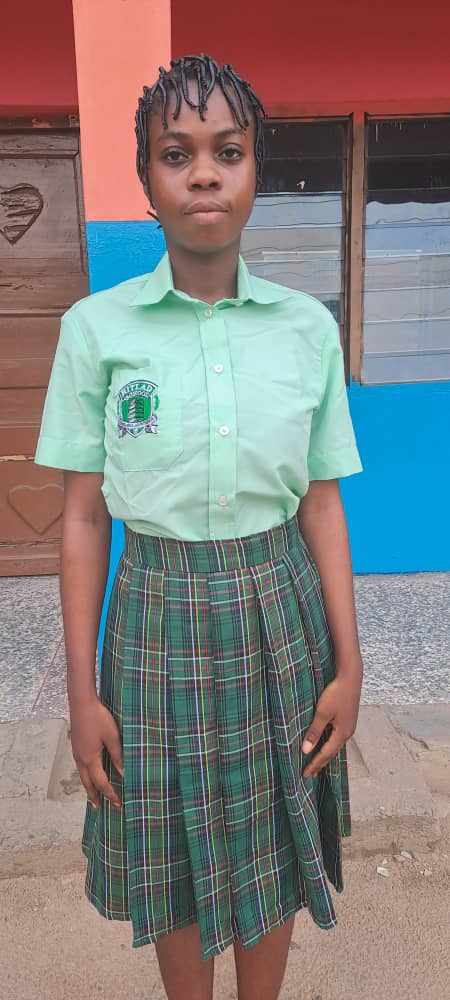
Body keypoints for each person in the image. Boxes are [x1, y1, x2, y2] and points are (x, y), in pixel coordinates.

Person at [35, 54, 364, 1000]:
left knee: (273, 835)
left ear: (257, 170)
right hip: (153, 617)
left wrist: (350, 665)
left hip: (281, 612)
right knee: (172, 844)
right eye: (176, 154)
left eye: (228, 150)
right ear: (146, 180)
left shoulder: (305, 330)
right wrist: (81, 694)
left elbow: (321, 502)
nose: (205, 174)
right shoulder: (97, 330)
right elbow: (84, 518)